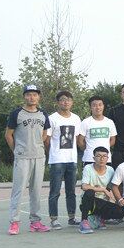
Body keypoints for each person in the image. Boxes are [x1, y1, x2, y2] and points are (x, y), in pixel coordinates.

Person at [5, 84, 50, 235]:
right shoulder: (16, 113)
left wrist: (38, 145)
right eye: (29, 94)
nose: (32, 97)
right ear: (24, 96)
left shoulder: (43, 114)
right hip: (23, 157)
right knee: (18, 190)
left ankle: (35, 222)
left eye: (35, 94)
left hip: (39, 156)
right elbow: (8, 135)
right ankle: (14, 222)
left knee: (36, 191)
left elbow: (45, 133)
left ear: (39, 97)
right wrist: (16, 150)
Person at [46, 90, 81, 229]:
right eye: (62, 99)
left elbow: (77, 139)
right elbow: (47, 140)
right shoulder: (52, 118)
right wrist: (52, 154)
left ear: (72, 102)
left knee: (71, 191)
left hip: (71, 160)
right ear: (58, 102)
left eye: (68, 100)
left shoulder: (76, 118)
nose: (65, 102)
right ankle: (54, 219)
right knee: (55, 191)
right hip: (56, 160)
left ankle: (72, 217)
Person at [78, 146, 124, 234]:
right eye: (98, 156)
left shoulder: (110, 170)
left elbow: (112, 187)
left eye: (104, 156)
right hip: (89, 202)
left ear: (107, 158)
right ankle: (84, 221)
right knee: (89, 192)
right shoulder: (88, 168)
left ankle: (100, 217)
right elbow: (84, 186)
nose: (102, 159)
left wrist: (117, 200)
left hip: (102, 202)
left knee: (120, 212)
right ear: (94, 158)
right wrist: (103, 189)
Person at [78, 96, 117, 165]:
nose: (98, 107)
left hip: (106, 159)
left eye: (100, 105)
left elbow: (113, 140)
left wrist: (103, 150)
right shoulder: (85, 122)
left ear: (103, 106)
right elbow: (80, 141)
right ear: (90, 107)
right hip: (89, 159)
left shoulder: (109, 122)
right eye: (94, 105)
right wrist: (89, 150)